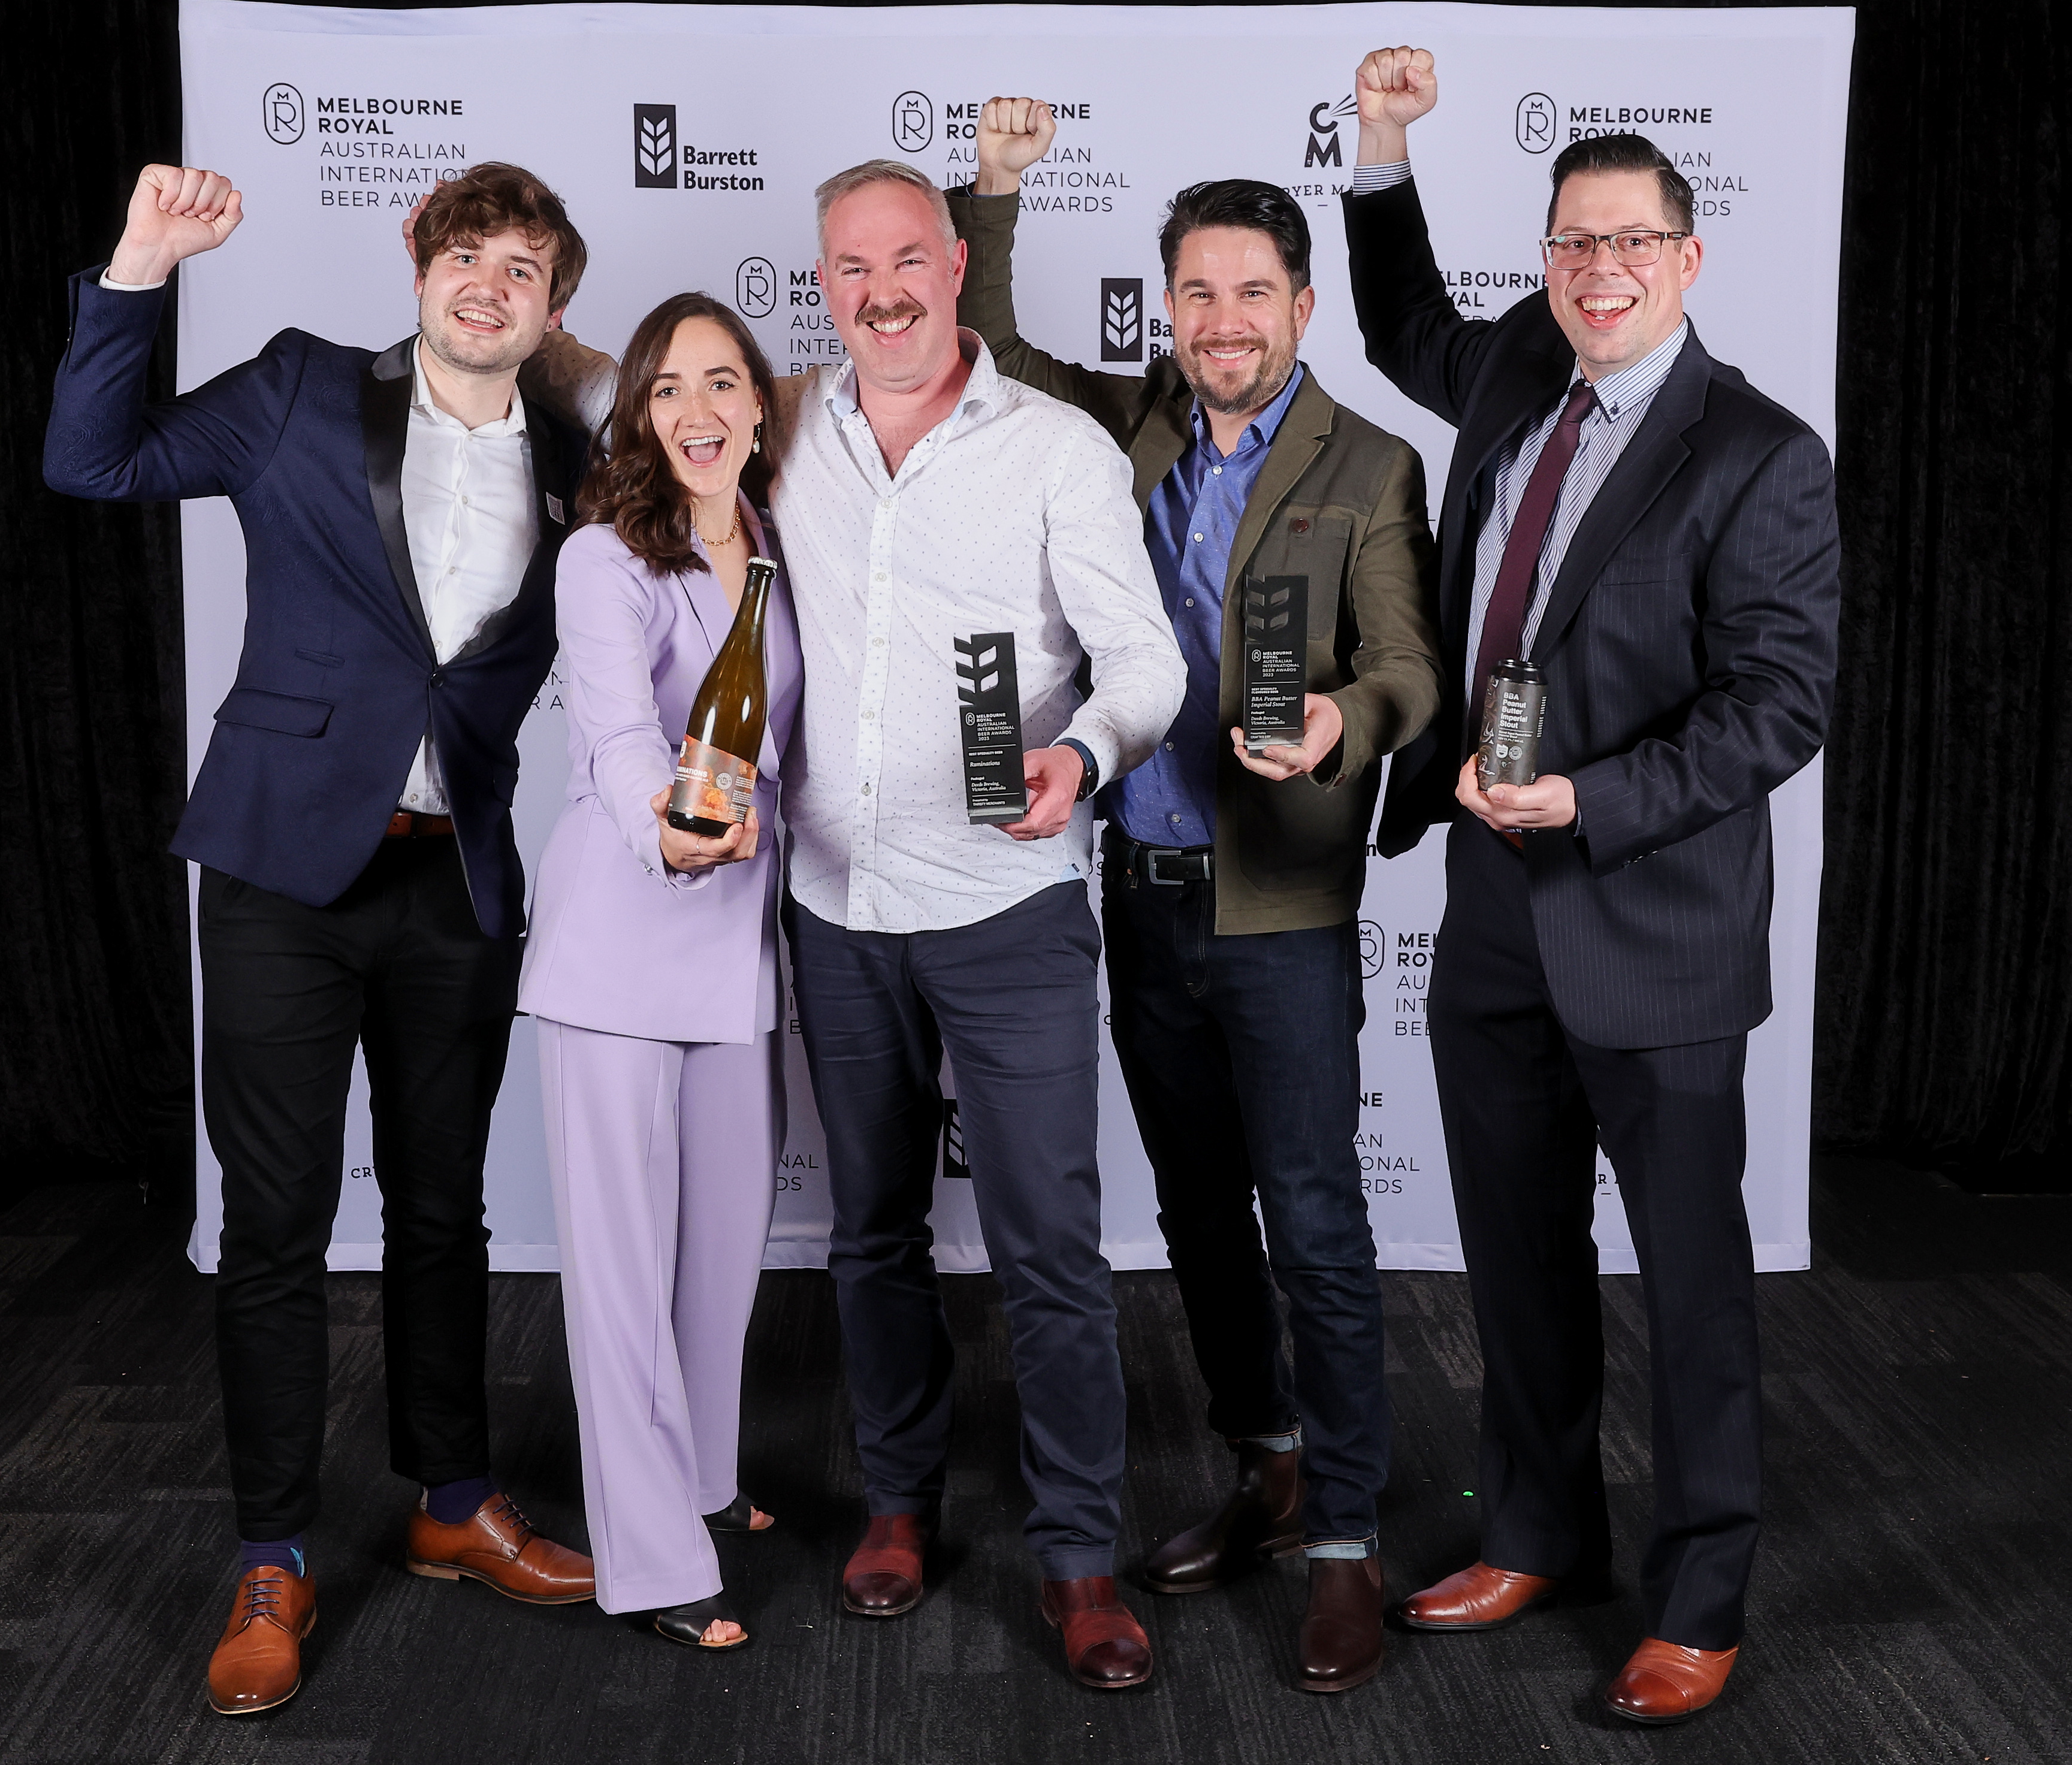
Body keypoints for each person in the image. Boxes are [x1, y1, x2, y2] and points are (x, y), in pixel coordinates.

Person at [536, 158, 1184, 1693]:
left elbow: (1147, 662)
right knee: (871, 1234)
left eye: (905, 260)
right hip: (833, 907)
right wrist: (505, 292)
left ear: (955, 264)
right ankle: (897, 1504)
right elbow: (644, 390)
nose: (881, 291)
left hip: (1007, 905)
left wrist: (1084, 755)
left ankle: (1079, 1560)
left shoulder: (1058, 447)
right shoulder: (789, 426)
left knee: (1049, 1246)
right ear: (822, 288)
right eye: (849, 268)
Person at [44, 161, 608, 1717]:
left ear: (554, 308)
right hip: (282, 875)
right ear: (418, 265)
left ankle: (452, 1502)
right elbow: (91, 460)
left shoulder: (580, 455)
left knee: (442, 1212)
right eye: (466, 255)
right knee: (278, 1223)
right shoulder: (298, 389)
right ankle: (271, 1554)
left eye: (524, 268)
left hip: (455, 883)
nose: (488, 284)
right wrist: (140, 265)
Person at [1342, 48, 1841, 1725]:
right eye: (1572, 242)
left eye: (1630, 242)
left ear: (1687, 258)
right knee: (1515, 1254)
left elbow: (1777, 706)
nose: (1599, 269)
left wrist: (1592, 799)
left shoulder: (1758, 454)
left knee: (1691, 1287)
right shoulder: (1512, 364)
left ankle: (1698, 1600)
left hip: (1653, 925)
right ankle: (1536, 1529)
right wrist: (1383, 144)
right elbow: (1399, 321)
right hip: (1492, 903)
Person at [952, 102, 1440, 1696]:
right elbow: (992, 346)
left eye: (1252, 293)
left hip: (1282, 900)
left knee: (1316, 1221)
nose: (1224, 321)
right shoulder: (1131, 423)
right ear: (1168, 306)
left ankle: (1348, 1542)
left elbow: (1410, 668)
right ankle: (1268, 1466)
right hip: (1142, 888)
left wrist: (1340, 723)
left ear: (1302, 303)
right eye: (1198, 293)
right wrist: (997, 192)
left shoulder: (1371, 462)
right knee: (1199, 1216)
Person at [518, 292, 801, 1654]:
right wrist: (667, 830)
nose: (698, 410)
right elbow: (622, 736)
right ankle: (650, 1561)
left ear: (759, 404)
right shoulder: (604, 558)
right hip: (622, 944)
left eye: (722, 382)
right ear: (638, 414)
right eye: (669, 388)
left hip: (738, 949)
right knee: (622, 1277)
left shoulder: (785, 545)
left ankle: (701, 1478)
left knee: (723, 1252)